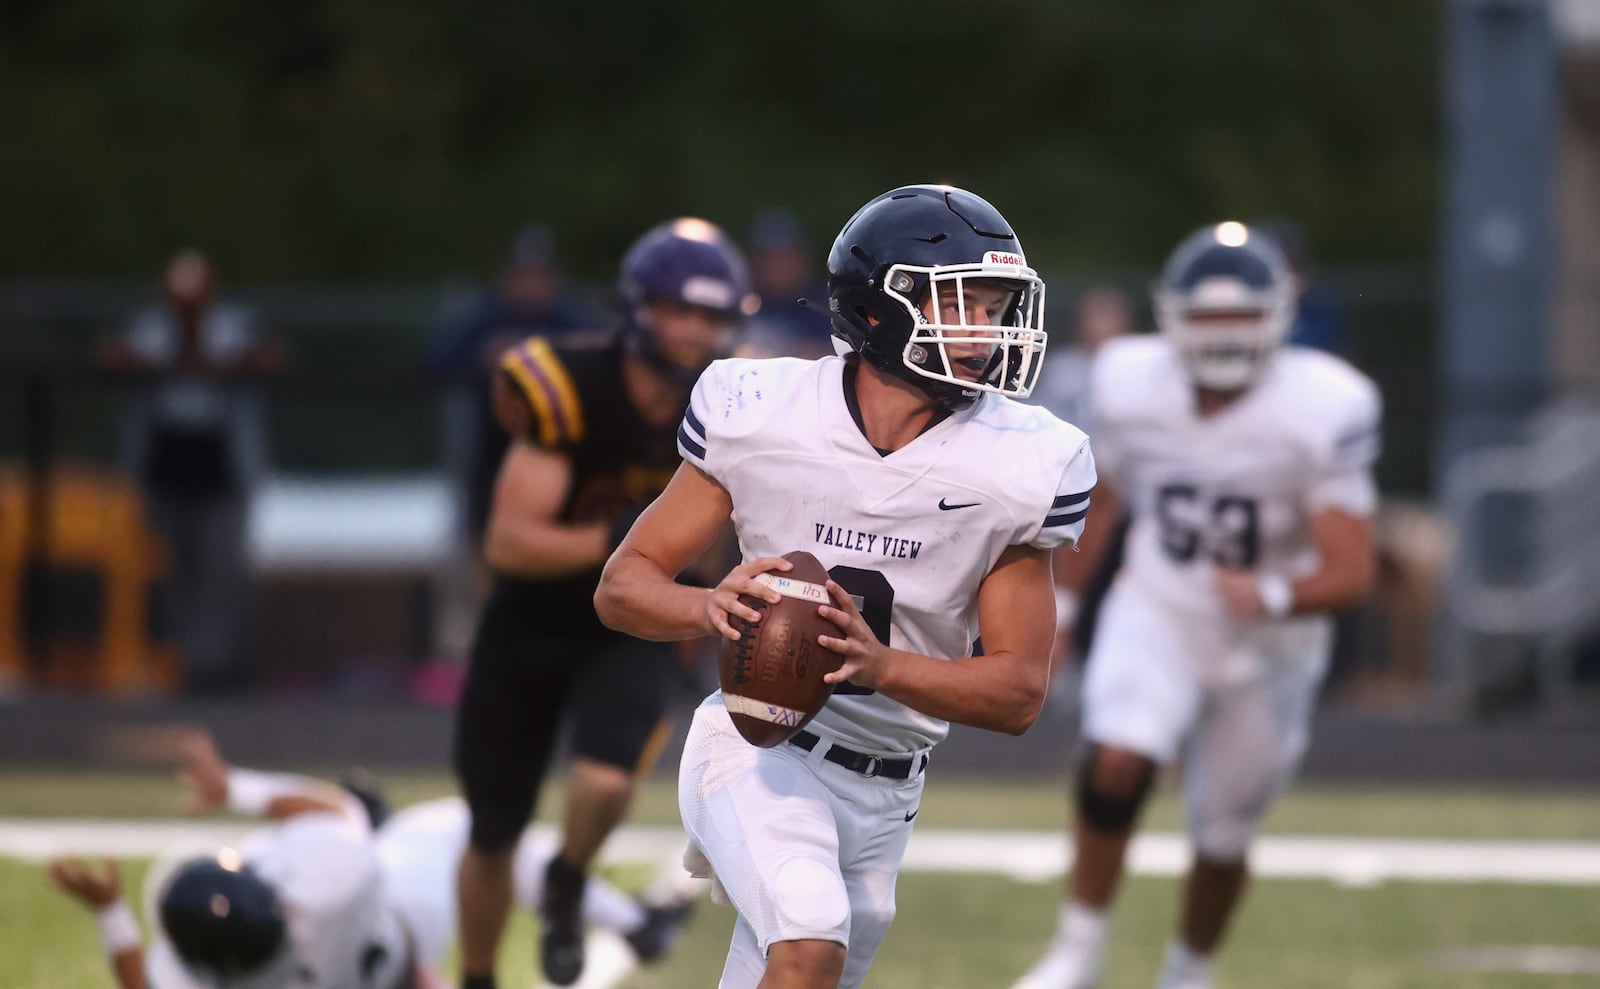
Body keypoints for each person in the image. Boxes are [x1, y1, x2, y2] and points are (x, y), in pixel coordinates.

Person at [593, 183, 1097, 989]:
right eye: (958, 302)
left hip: (889, 788)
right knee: (808, 942)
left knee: (793, 966)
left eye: (996, 305)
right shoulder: (761, 409)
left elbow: (1017, 693)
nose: (984, 331)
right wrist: (708, 604)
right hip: (757, 743)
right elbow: (622, 586)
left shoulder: (1024, 460)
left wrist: (878, 665)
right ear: (875, 309)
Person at [1008, 222, 1381, 989]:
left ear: (1279, 313)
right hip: (1163, 606)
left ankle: (1188, 969)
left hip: (1271, 641)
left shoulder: (1326, 403)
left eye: (1241, 315)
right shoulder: (1127, 380)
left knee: (1222, 832)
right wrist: (1067, 611)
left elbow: (1352, 569)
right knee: (1117, 756)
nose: (1225, 333)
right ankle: (1078, 951)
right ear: (1172, 315)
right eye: (1209, 316)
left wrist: (1277, 591)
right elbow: (1102, 503)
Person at [452, 218, 753, 989]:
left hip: (629, 624)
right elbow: (510, 542)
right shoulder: (571, 385)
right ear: (638, 309)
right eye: (679, 310)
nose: (693, 332)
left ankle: (568, 878)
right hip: (530, 620)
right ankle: (479, 974)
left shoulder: (731, 401)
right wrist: (622, 545)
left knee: (608, 781)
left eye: (710, 316)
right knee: (491, 832)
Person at [46, 730, 696, 989]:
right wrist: (235, 787)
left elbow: (141, 983)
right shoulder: (327, 884)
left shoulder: (232, 973)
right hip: (410, 915)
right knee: (484, 835)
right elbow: (331, 810)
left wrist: (108, 910)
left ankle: (634, 922)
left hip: (374, 968)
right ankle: (634, 922)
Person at [97, 250, 285, 693]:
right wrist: (166, 364)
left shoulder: (233, 326)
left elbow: (271, 356)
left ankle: (216, 664)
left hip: (221, 466)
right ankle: (177, 661)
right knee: (170, 566)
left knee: (222, 565)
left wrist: (217, 366)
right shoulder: (151, 329)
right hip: (165, 464)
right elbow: (111, 355)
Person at [421, 225, 600, 544]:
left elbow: (610, 356)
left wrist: (557, 357)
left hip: (563, 451)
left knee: (559, 537)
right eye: (523, 275)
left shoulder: (572, 320)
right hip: (494, 451)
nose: (531, 285)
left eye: (539, 275)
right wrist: (483, 359)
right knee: (486, 537)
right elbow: (434, 364)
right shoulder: (486, 318)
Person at [741, 207, 834, 360]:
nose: (779, 267)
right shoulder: (743, 305)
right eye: (770, 258)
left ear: (804, 259)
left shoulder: (826, 306)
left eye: (786, 257)